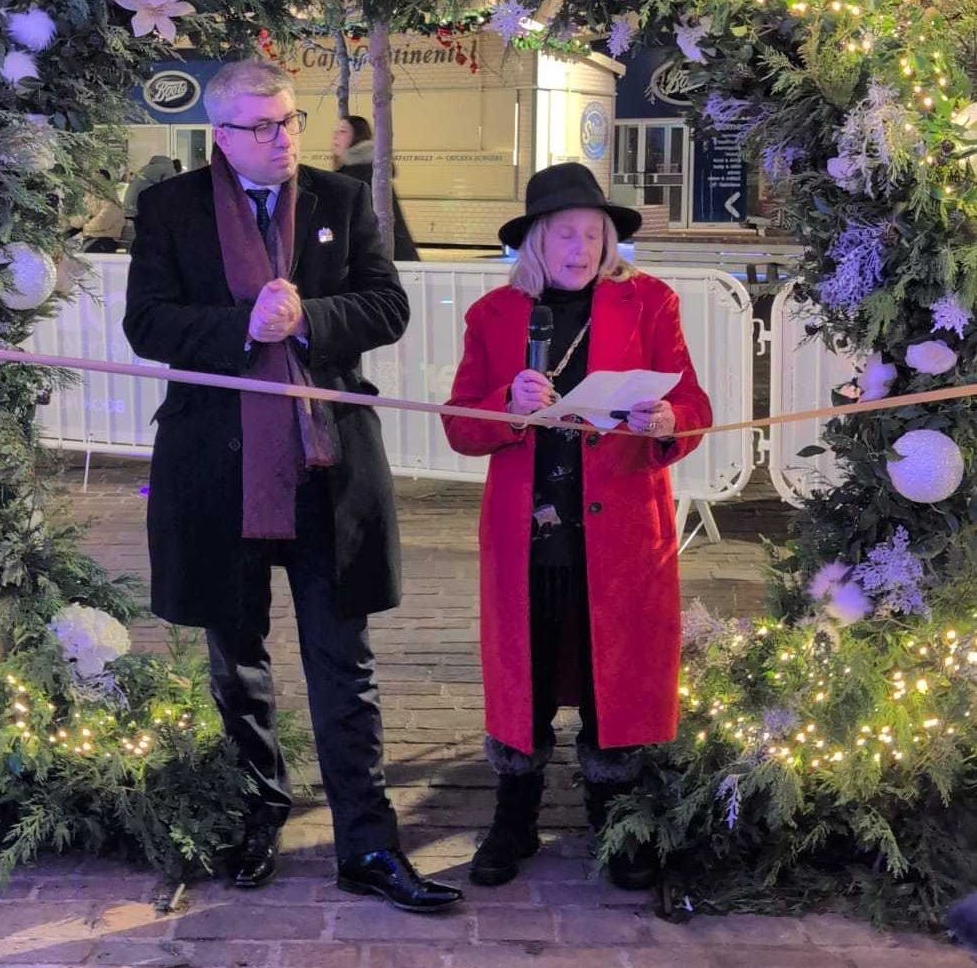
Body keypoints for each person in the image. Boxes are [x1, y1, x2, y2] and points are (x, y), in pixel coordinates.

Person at [123, 59, 462, 913]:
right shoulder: (170, 208)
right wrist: (243, 324)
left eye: (291, 120)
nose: (284, 138)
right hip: (219, 468)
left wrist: (310, 315)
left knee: (343, 662)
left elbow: (386, 305)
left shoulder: (340, 200)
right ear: (221, 135)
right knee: (236, 659)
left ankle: (368, 844)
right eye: (264, 126)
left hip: (325, 466)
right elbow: (147, 322)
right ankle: (257, 813)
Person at [442, 162, 712, 890]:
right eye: (566, 233)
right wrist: (507, 404)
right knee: (523, 671)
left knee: (612, 674)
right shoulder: (494, 315)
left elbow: (694, 406)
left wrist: (668, 419)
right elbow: (460, 426)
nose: (582, 247)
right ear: (536, 239)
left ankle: (614, 817)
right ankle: (514, 817)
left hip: (620, 533)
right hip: (527, 534)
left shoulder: (650, 302)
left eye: (594, 234)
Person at [332, 115, 420, 262]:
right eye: (335, 131)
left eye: (343, 131)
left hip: (381, 262)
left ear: (357, 136)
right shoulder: (373, 171)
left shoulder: (358, 175)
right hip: (396, 258)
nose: (335, 136)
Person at [79, 169, 126, 253]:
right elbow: (80, 218)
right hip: (91, 239)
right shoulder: (92, 198)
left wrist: (85, 226)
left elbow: (101, 222)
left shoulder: (112, 201)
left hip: (105, 241)